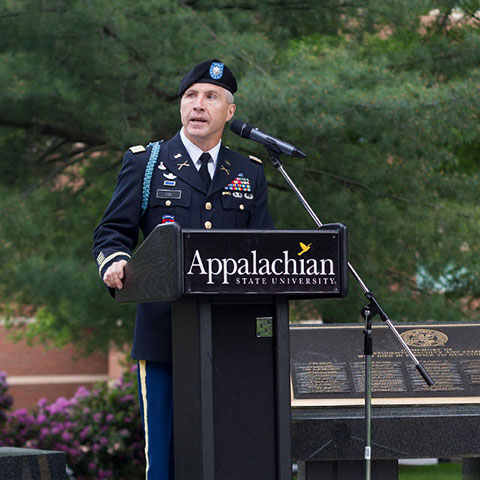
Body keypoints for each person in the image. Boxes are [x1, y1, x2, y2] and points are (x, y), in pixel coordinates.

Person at [93, 59, 274, 479]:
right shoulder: (145, 163)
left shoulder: (249, 172)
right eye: (190, 95)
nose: (198, 104)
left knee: (231, 454)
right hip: (164, 337)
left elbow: (264, 251)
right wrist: (116, 260)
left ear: (229, 112)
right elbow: (111, 232)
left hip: (232, 339)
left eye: (211, 96)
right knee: (167, 461)